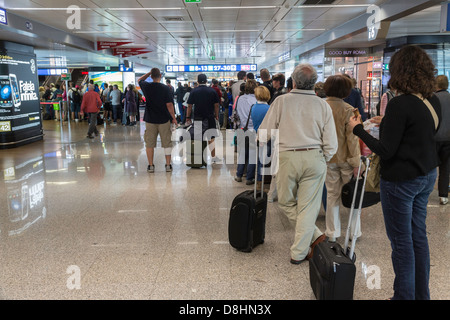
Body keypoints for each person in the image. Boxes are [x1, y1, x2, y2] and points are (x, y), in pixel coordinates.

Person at [349, 45, 442, 300]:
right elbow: (420, 134)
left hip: (401, 179)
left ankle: (403, 296)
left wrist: (357, 128)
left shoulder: (400, 104)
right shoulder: (431, 100)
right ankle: (421, 295)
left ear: (399, 71)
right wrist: (388, 123)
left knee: (401, 243)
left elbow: (385, 150)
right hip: (426, 175)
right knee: (417, 237)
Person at [259, 64, 338, 264]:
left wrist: (261, 140)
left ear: (293, 82)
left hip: (288, 157)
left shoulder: (281, 101)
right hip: (315, 157)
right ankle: (315, 236)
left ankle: (299, 252)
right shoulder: (323, 105)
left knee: (285, 202)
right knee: (308, 206)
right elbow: (331, 142)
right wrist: (323, 157)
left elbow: (263, 134)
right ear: (314, 83)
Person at [322, 75, 362, 243]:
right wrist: (356, 163)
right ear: (346, 91)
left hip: (326, 159)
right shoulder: (350, 110)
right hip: (346, 159)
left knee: (332, 195)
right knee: (352, 196)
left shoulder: (320, 108)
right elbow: (352, 139)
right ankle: (354, 232)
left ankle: (332, 232)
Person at [138, 68, 177, 173]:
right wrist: (173, 118)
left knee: (150, 143)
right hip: (164, 119)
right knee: (167, 143)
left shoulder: (147, 87)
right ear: (160, 75)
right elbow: (169, 105)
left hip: (150, 119)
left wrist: (149, 72)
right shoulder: (165, 88)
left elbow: (140, 80)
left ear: (151, 76)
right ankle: (168, 165)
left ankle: (150, 165)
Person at [186, 74, 220, 162]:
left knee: (198, 138)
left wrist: (188, 117)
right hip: (210, 117)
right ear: (206, 81)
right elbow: (216, 105)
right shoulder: (212, 91)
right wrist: (216, 115)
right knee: (211, 138)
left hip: (198, 118)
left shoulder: (194, 91)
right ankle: (213, 157)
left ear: (197, 81)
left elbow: (189, 106)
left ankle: (198, 158)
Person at [234, 80, 258, 184]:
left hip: (242, 128)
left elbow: (237, 113)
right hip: (253, 129)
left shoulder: (240, 99)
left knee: (243, 153)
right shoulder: (256, 100)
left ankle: (239, 175)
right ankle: (249, 178)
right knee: (252, 154)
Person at [250, 85, 271, 190]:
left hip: (258, 136)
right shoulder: (269, 108)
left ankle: (259, 182)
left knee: (260, 161)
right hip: (268, 137)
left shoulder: (254, 107)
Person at [434, 75, 450, 205]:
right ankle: (443, 196)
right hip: (448, 138)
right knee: (446, 167)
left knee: (430, 166)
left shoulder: (432, 99)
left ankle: (424, 192)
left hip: (433, 138)